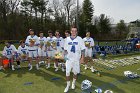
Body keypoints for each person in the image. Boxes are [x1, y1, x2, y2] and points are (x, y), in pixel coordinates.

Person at [64, 26, 85, 92]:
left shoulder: (80, 39)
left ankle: (73, 83)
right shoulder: (67, 39)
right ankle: (68, 85)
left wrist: (82, 58)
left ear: (77, 32)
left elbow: (83, 49)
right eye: (72, 31)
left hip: (76, 59)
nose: (74, 32)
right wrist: (64, 56)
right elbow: (65, 49)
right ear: (70, 31)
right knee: (67, 73)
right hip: (69, 59)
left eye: (75, 31)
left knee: (75, 73)